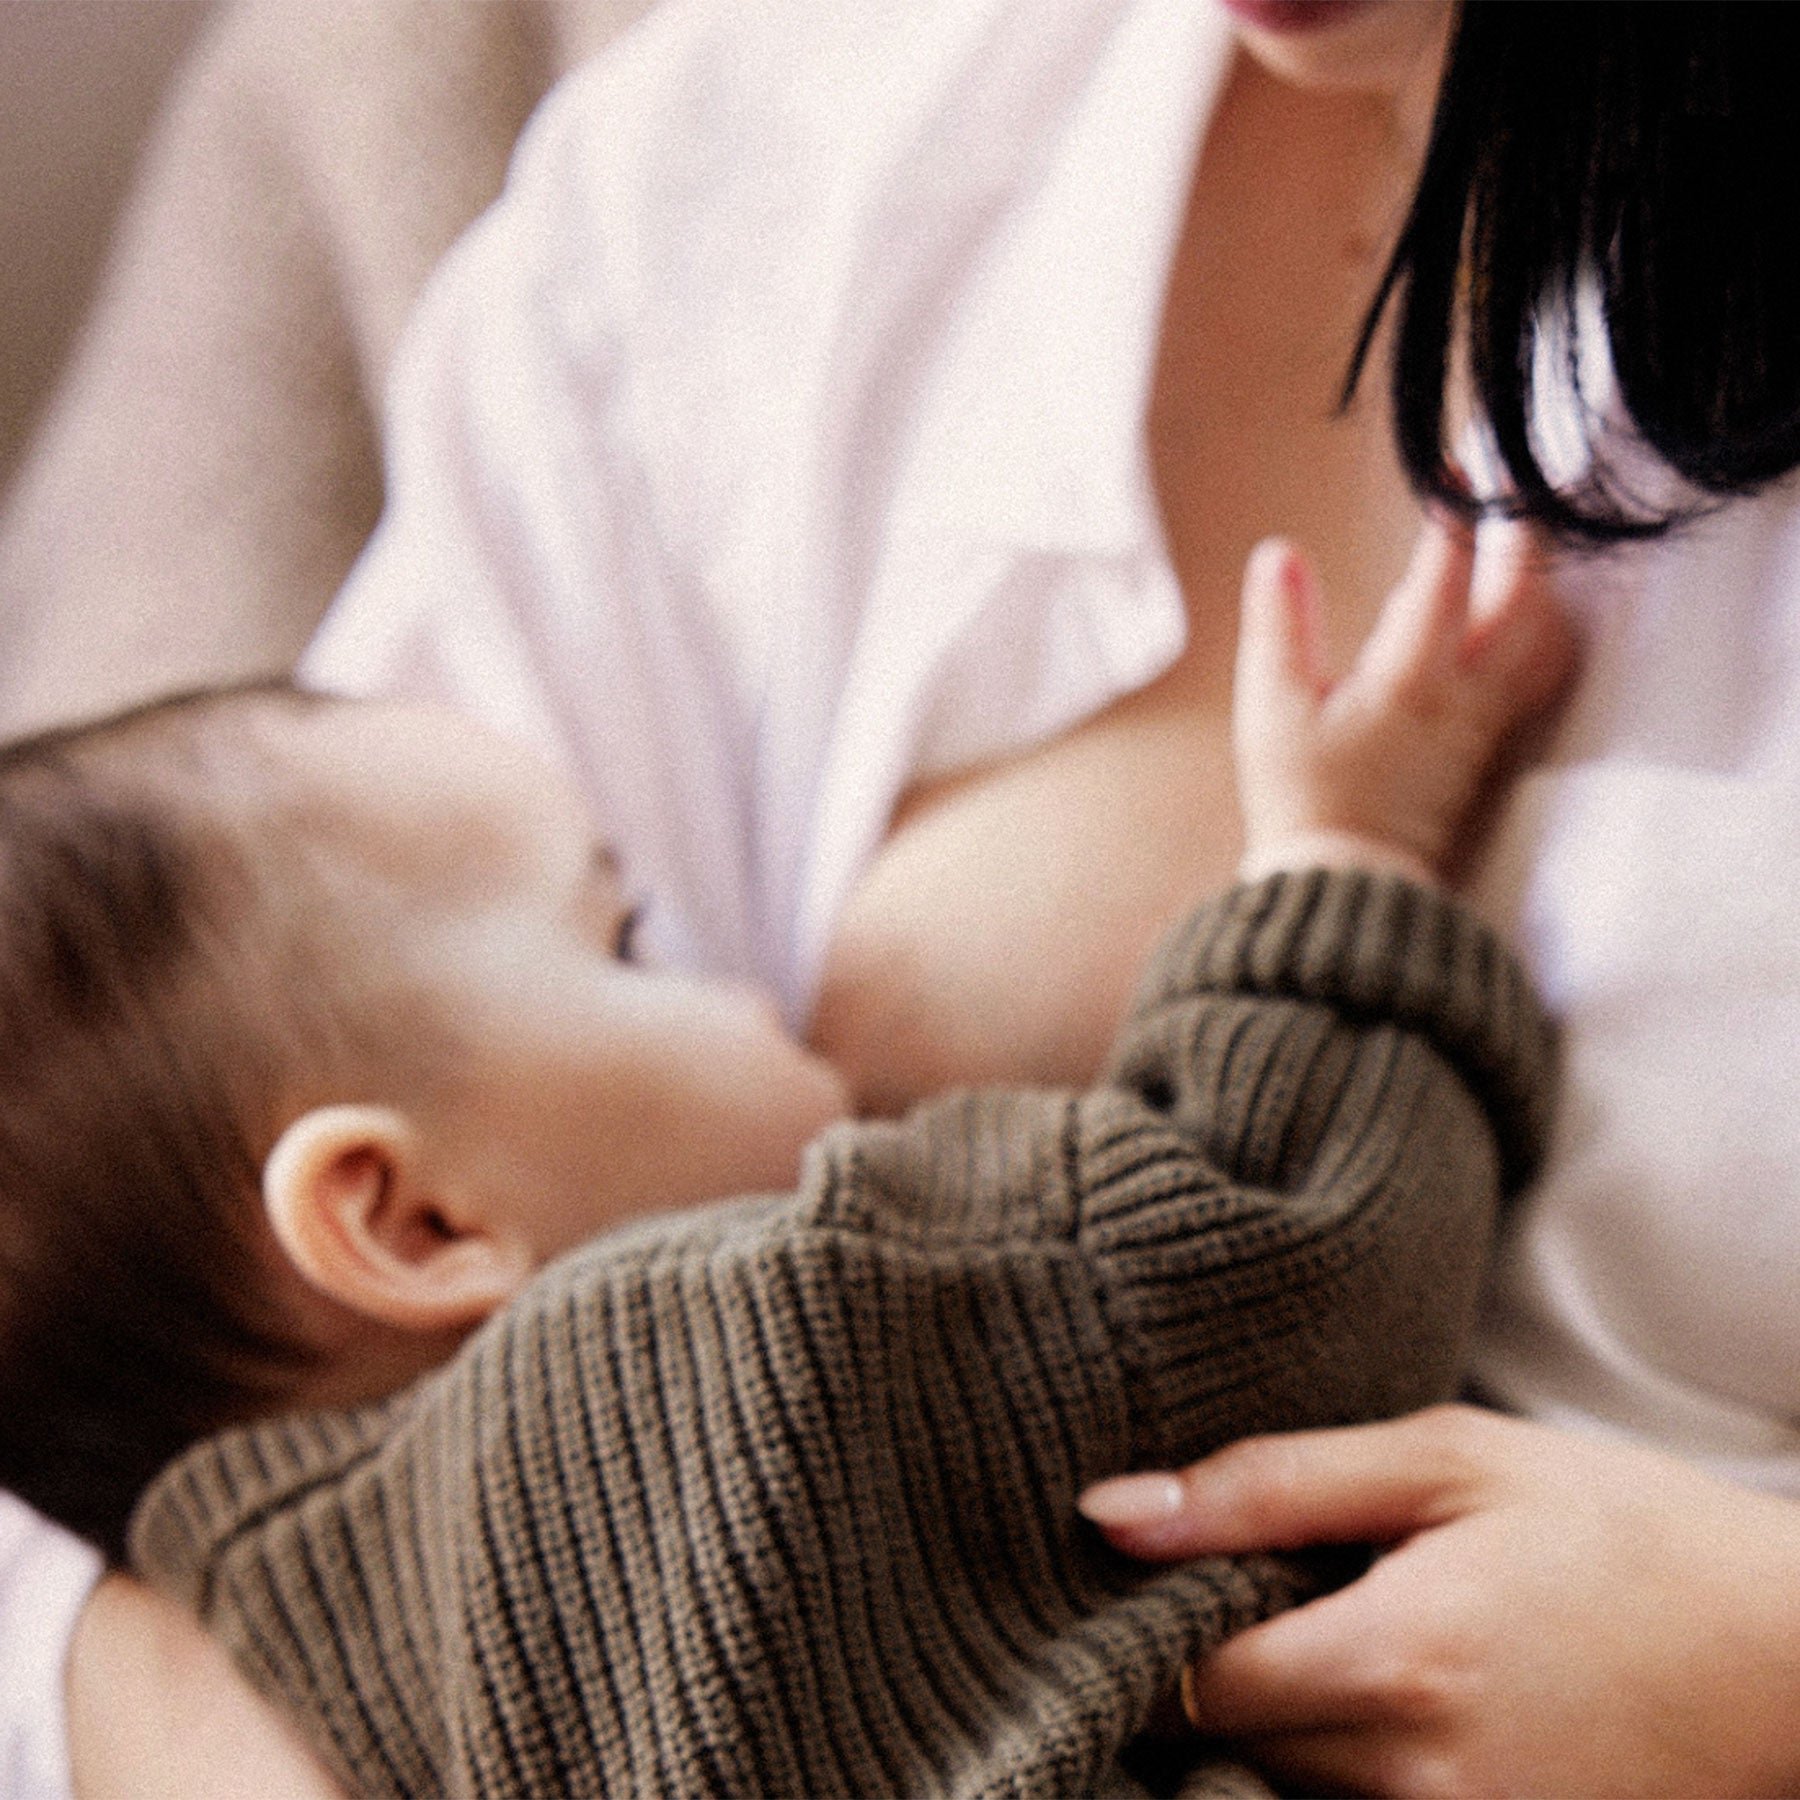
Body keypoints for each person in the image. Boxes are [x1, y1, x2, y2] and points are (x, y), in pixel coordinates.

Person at [295, 2, 1800, 1791]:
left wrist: (1765, 1676)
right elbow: (93, 1454)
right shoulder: (733, 176)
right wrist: (1349, 886)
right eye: (630, 937)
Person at [4, 517, 1565, 1795]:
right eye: (628, 938)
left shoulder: (259, 1677)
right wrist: (1346, 870)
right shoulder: (743, 1355)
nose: (749, 992)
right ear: (411, 1220)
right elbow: (1272, 1269)